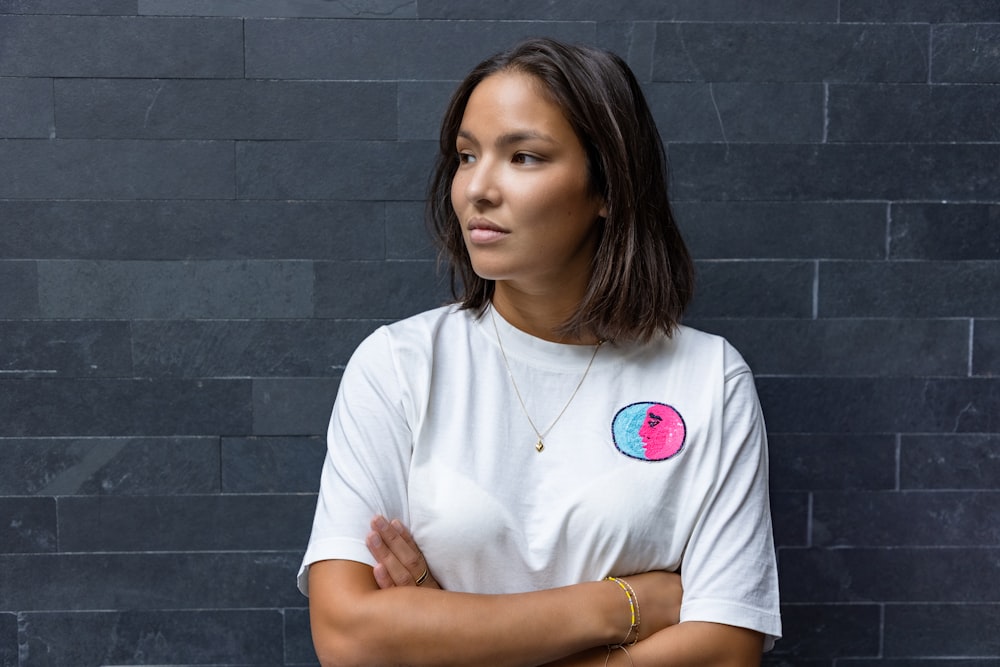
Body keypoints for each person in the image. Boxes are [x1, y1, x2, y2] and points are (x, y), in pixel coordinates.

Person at [298, 37, 781, 666]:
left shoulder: (709, 379)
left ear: (608, 187)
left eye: (523, 157)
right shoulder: (398, 366)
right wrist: (623, 607)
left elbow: (724, 653)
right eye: (466, 157)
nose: (478, 188)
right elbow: (347, 635)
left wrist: (433, 619)